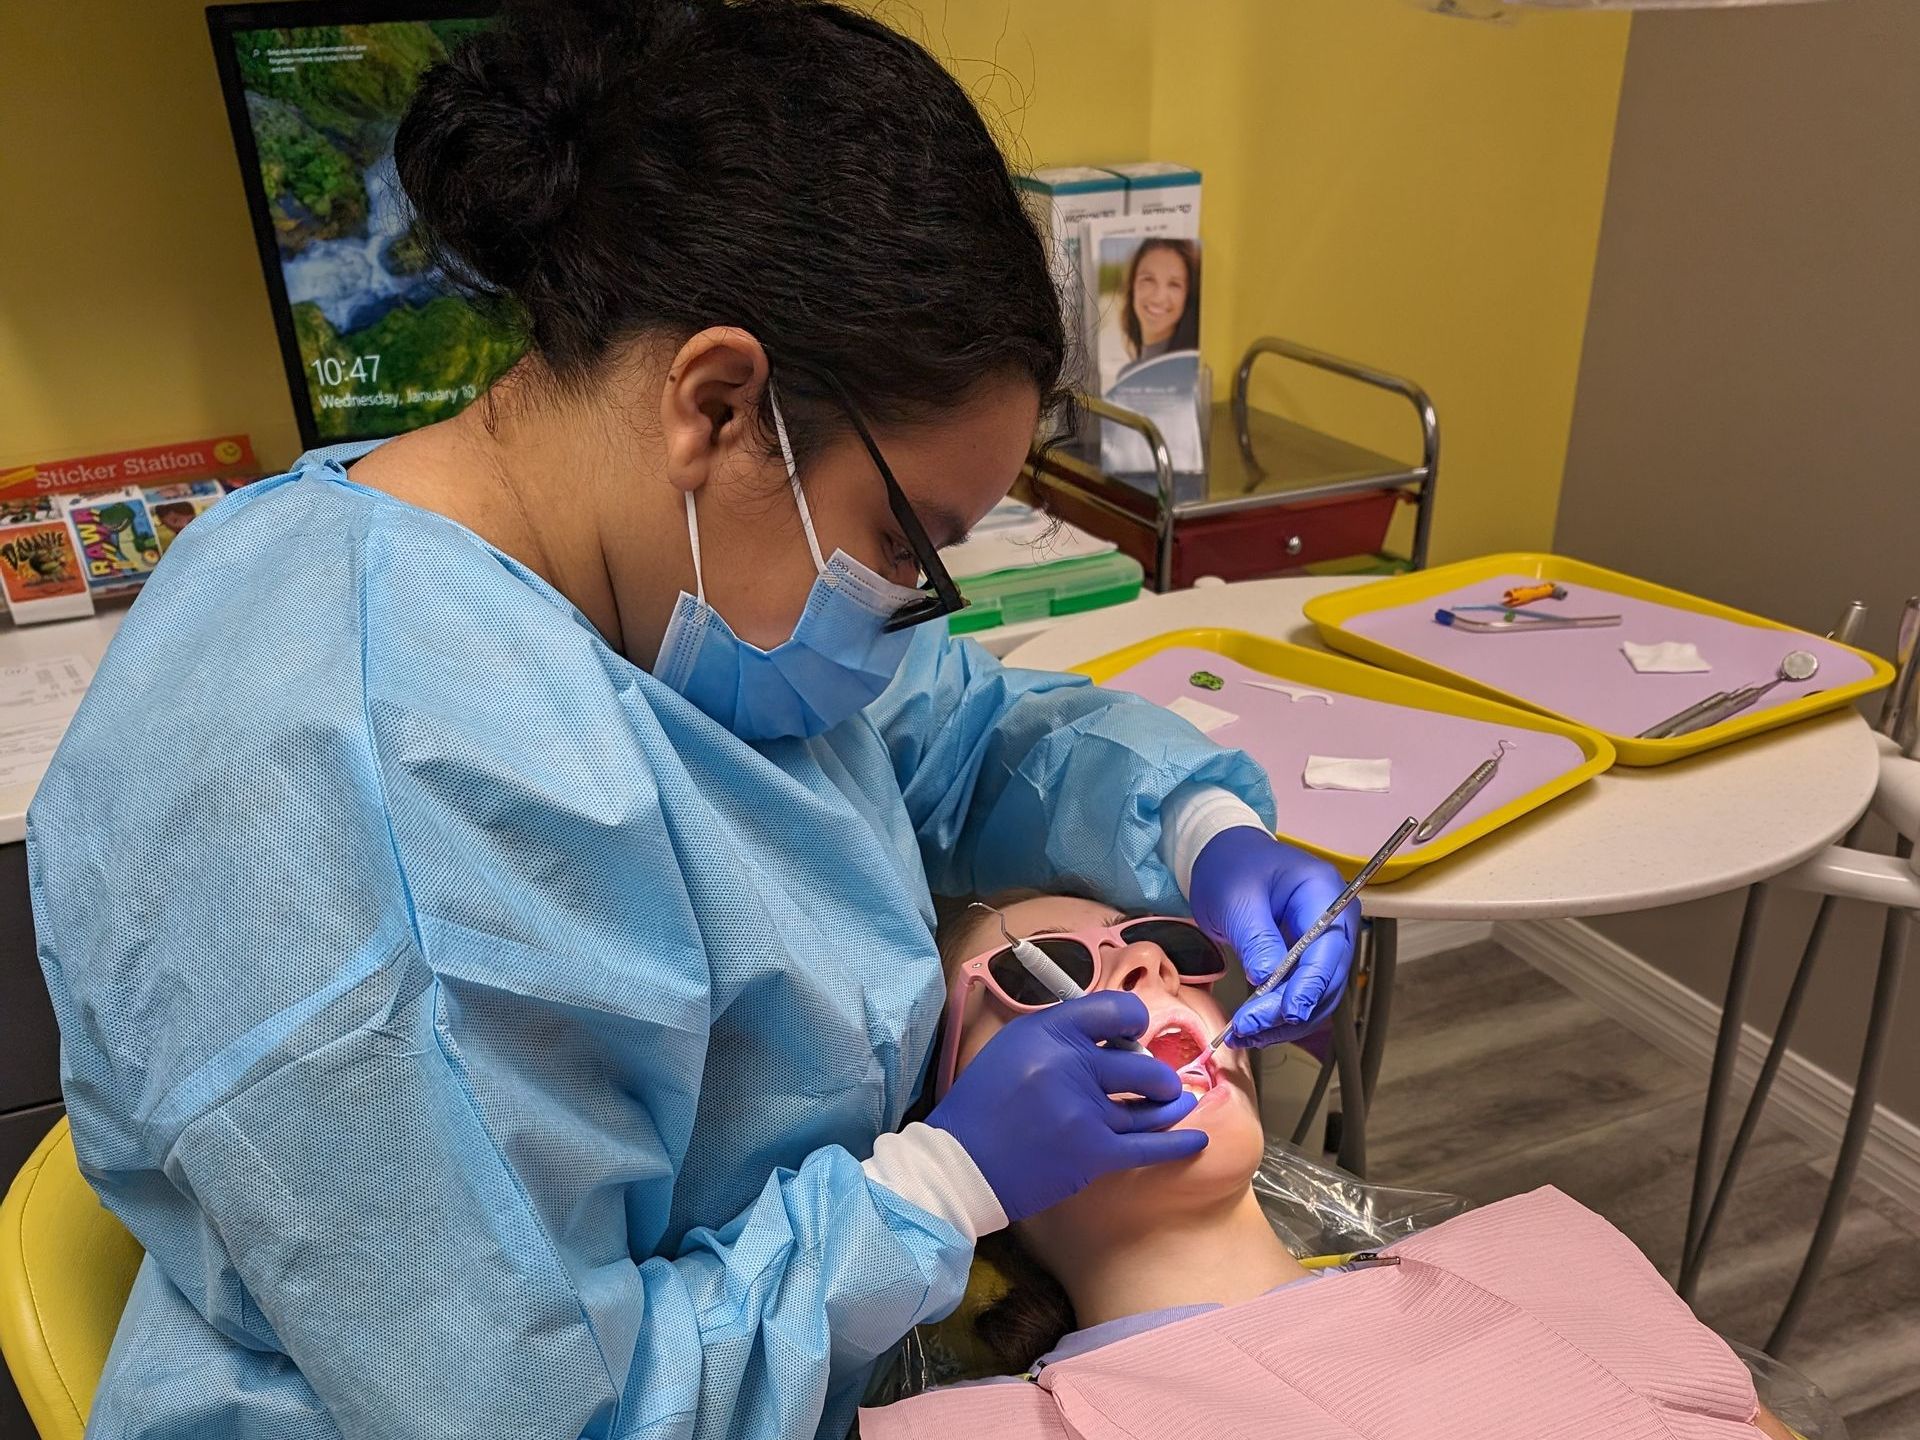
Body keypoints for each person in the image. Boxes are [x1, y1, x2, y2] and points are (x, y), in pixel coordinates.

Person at [24, 3, 1357, 1438]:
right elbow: (540, 1413)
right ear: (719, 403)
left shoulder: (656, 576)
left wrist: (1203, 830)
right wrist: (936, 1191)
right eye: (907, 543)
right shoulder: (384, 786)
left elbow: (953, 733)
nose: (907, 606)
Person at [859, 892, 1799, 1440]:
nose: (1147, 964)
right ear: (948, 1125)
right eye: (1041, 975)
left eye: (1170, 947)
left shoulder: (1539, 1258)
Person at [1113, 238, 1199, 382]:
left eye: (1174, 284)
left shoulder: (1192, 375)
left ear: (1188, 296)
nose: (1159, 297)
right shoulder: (1128, 375)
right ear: (1132, 286)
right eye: (1148, 279)